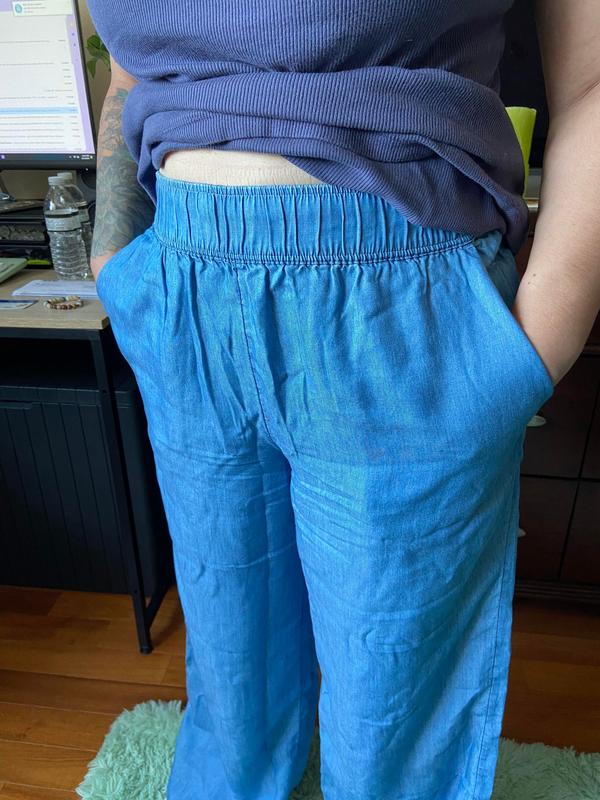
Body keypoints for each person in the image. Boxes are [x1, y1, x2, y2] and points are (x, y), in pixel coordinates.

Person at [86, 1, 600, 798]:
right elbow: (128, 67)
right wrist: (112, 257)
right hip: (184, 295)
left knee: (393, 711)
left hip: (403, 307)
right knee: (230, 664)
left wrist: (541, 336)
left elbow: (591, 79)